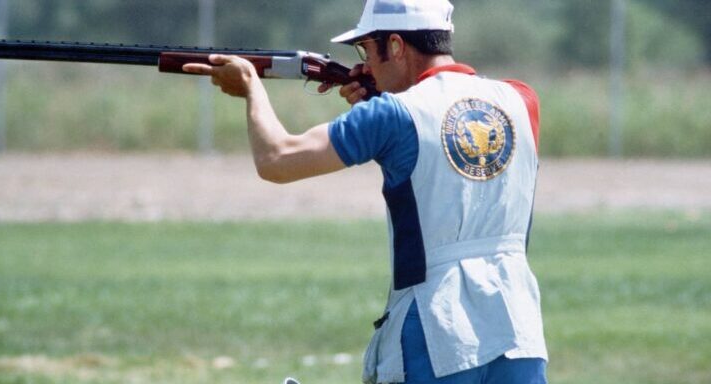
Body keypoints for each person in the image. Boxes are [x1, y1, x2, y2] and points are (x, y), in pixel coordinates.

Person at [182, 0, 548, 383]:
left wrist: (251, 89)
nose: (365, 64)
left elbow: (276, 159)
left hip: (436, 328)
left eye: (367, 50)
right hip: (518, 325)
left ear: (395, 46)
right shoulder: (521, 100)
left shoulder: (391, 115)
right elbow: (447, 143)